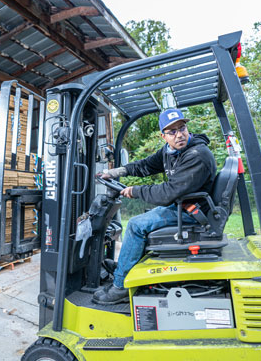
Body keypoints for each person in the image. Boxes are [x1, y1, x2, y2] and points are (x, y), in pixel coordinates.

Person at [93, 108, 217, 305]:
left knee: (135, 225)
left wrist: (135, 191)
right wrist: (117, 172)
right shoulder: (172, 151)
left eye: (182, 128)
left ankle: (120, 286)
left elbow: (168, 192)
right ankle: (126, 266)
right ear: (163, 136)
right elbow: (146, 165)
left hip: (193, 213)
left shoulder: (197, 155)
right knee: (142, 220)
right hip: (182, 206)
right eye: (172, 132)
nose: (179, 135)